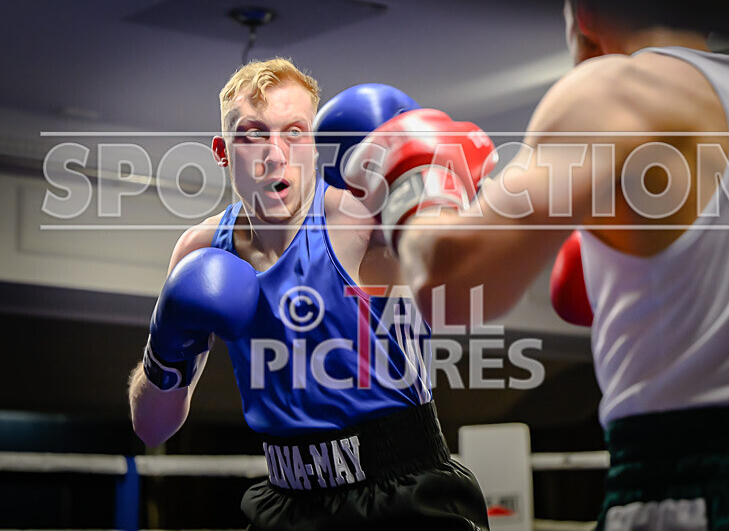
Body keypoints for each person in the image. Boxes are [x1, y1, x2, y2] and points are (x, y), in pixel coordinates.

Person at [340, 0, 729, 530]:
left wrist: (416, 184)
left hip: (686, 489)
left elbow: (450, 287)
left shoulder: (617, 90)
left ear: (586, 12)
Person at [127, 59, 489, 531]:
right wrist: (165, 341)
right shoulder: (199, 250)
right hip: (286, 501)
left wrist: (440, 186)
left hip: (403, 489)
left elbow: (461, 288)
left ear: (315, 147)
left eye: (294, 132)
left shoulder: (362, 224)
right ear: (222, 151)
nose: (274, 154)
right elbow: (152, 426)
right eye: (253, 133)